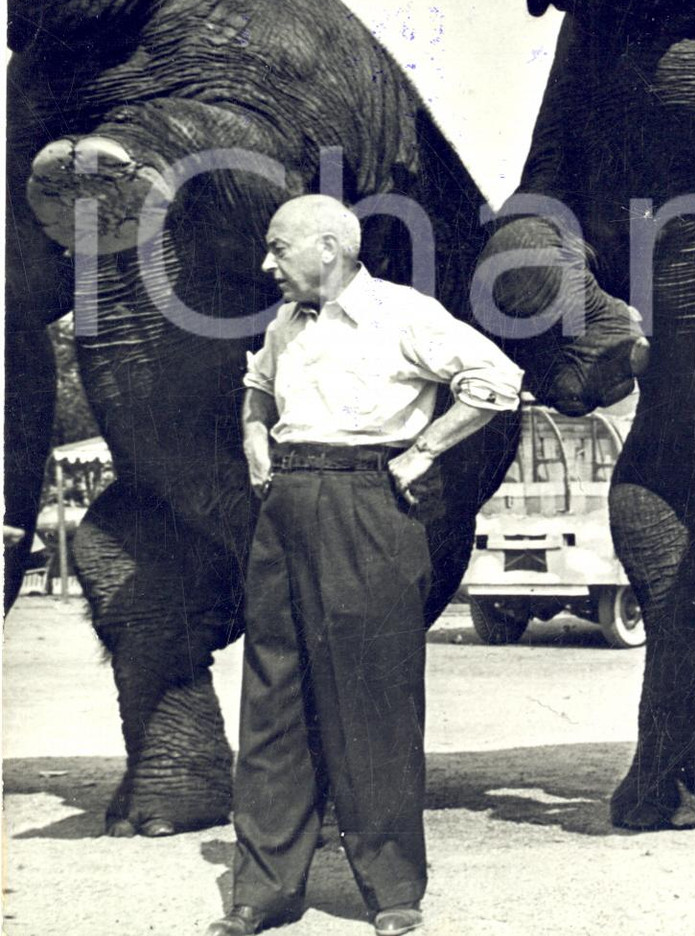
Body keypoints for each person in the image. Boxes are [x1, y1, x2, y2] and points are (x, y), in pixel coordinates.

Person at [205, 194, 522, 936]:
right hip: (287, 502)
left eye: (278, 248)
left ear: (328, 247)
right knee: (274, 694)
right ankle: (263, 890)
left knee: (373, 695)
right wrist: (256, 436)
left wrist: (423, 453)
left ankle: (391, 892)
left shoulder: (403, 314)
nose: (267, 264)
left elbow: (496, 381)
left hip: (369, 503)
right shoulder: (286, 323)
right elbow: (256, 386)